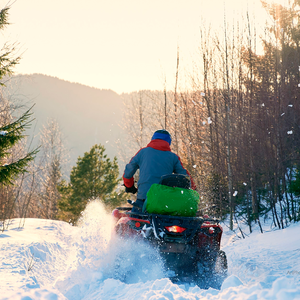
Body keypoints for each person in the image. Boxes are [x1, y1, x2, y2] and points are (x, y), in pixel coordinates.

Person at [123, 129, 196, 213]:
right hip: (164, 201)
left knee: (133, 221)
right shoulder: (173, 157)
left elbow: (128, 173)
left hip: (143, 199)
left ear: (153, 139)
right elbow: (186, 178)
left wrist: (129, 186)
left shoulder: (142, 152)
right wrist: (194, 189)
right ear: (169, 142)